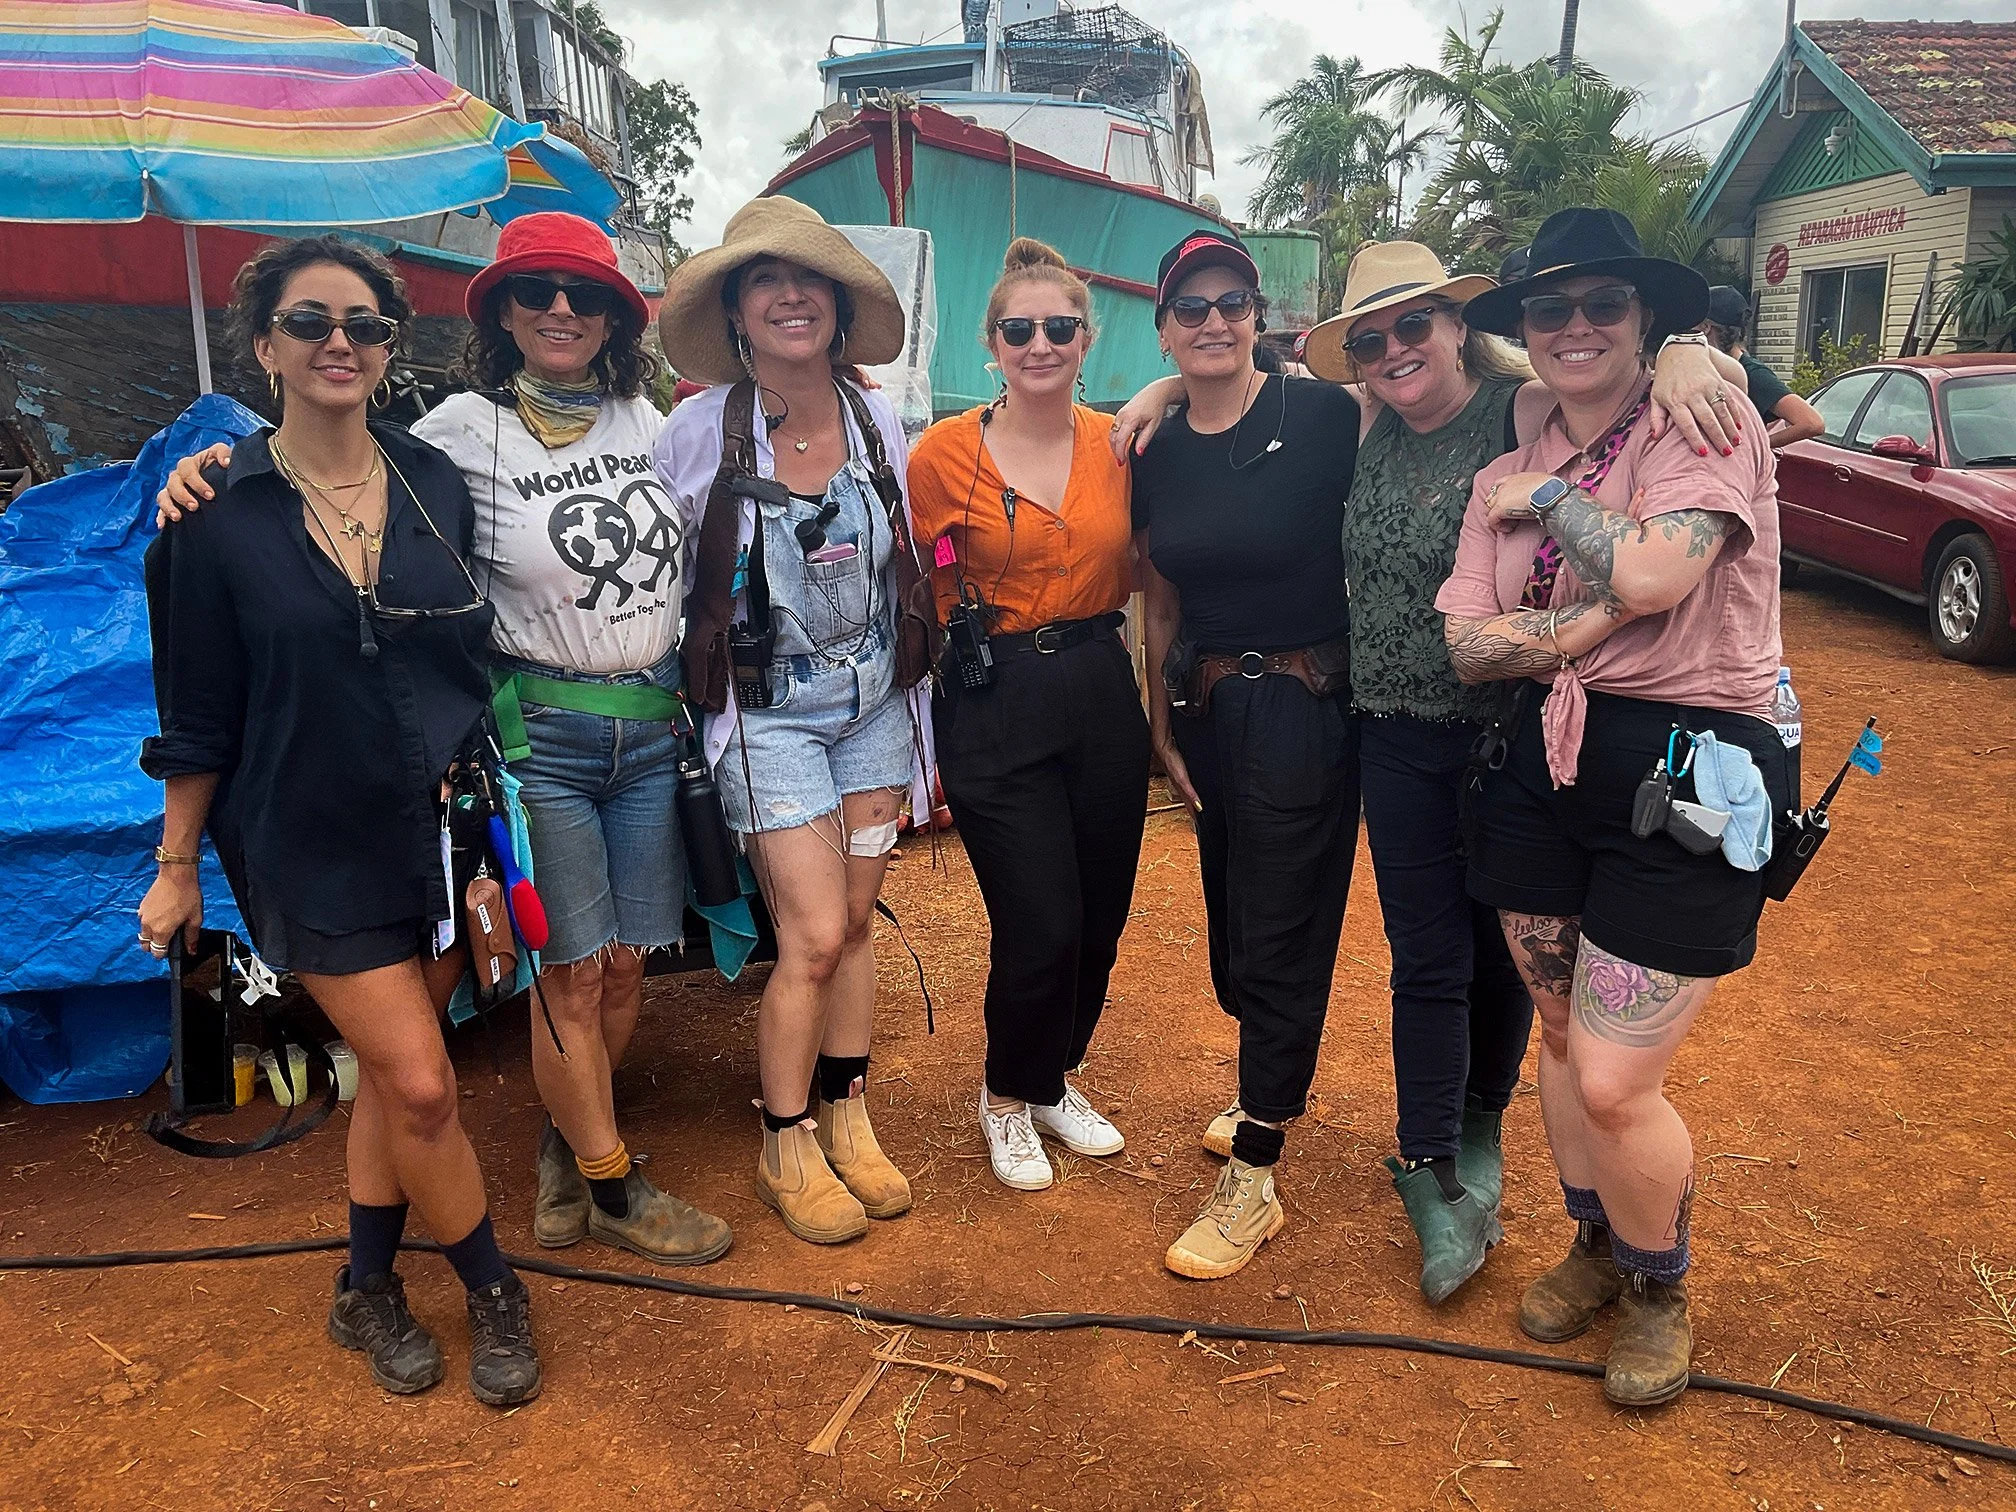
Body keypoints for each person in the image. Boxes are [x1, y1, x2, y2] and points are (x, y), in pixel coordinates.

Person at [156, 214, 734, 1272]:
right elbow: (322, 459)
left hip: (655, 730)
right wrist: (214, 466)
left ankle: (572, 1139)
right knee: (570, 973)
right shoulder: (458, 435)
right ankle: (610, 1180)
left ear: (616, 320)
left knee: (623, 969)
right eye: (536, 291)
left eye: (585, 295)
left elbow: (747, 463)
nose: (560, 310)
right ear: (500, 313)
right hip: (540, 736)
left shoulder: (650, 422)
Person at [1290, 242, 1746, 1304]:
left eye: (1414, 324)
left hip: (1517, 726)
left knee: (1512, 956)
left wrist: (1690, 348)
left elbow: (1651, 382)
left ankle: (1482, 1123)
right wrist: (1162, 385)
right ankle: (1429, 1161)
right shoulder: (1363, 422)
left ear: (1459, 327)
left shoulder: (1522, 407)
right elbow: (1224, 383)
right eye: (1371, 339)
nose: (1394, 349)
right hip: (1395, 727)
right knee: (1425, 952)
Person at [138, 238, 540, 1406]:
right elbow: (194, 712)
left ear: (388, 347)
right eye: (310, 322)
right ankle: (493, 1286)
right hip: (305, 838)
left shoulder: (432, 482)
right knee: (422, 1085)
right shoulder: (212, 514)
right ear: (265, 346)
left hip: (444, 828)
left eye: (363, 325)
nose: (339, 343)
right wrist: (175, 864)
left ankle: (364, 1286)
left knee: (395, 1074)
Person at [1436, 207, 1790, 1408]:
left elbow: (1652, 569)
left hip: (1689, 768)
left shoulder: (1702, 420)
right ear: (1526, 327)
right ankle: (1596, 1240)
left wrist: (1546, 498)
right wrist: (1593, 625)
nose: (1576, 326)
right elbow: (1469, 646)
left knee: (1612, 1079)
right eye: (1552, 307)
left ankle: (1657, 1284)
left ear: (1647, 318)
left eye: (1605, 304)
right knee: (1556, 1033)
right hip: (1543, 758)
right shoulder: (1513, 450)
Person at [653, 196, 922, 1246]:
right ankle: (785, 1137)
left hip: (874, 706)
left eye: (811, 278)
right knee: (808, 935)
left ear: (840, 308)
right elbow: (651, 569)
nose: (791, 296)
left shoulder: (875, 419)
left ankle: (848, 1109)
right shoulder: (694, 431)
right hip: (766, 718)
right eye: (766, 280)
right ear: (735, 311)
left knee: (854, 925)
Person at [1127, 228, 1362, 1280]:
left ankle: (1258, 1167)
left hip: (1303, 707)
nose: (1214, 321)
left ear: (1259, 316)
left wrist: (1690, 354)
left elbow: (1460, 389)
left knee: (1280, 931)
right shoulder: (1157, 446)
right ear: (1164, 327)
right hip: (1210, 708)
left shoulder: (1323, 416)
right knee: (1233, 933)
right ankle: (1262, 1085)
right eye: (1192, 307)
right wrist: (1162, 723)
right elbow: (1161, 599)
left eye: (1232, 303)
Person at [905, 238, 1146, 1192]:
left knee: (1102, 916)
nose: (1038, 344)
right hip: (994, 692)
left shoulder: (1123, 443)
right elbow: (918, 586)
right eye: (1018, 329)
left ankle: (1051, 1077)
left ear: (1087, 338)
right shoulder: (941, 455)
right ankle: (1005, 1094)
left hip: (1100, 684)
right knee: (1041, 918)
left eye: (1058, 327)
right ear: (991, 342)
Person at [1702, 286, 1824, 447]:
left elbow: (1812, 423)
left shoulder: (1754, 373)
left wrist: (1757, 447)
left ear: (1706, 328)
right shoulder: (1707, 369)